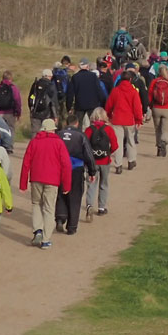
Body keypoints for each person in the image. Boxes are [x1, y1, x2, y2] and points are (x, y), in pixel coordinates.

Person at [19, 118, 72, 249]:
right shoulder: (59, 143)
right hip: (52, 180)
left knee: (36, 204)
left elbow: (26, 163)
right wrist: (66, 185)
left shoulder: (34, 142)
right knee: (49, 209)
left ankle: (38, 230)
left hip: (36, 178)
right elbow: (66, 165)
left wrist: (23, 183)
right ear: (53, 130)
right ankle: (46, 240)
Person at [54, 115, 96, 235]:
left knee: (61, 193)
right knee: (75, 196)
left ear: (67, 123)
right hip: (76, 168)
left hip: (60, 168)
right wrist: (92, 171)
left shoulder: (58, 134)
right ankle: (72, 226)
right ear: (77, 123)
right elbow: (88, 154)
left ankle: (60, 218)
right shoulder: (81, 135)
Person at [104, 68, 143, 174]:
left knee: (118, 143)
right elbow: (137, 107)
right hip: (129, 119)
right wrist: (139, 119)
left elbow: (109, 105)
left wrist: (108, 115)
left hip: (117, 119)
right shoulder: (133, 91)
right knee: (131, 141)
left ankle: (118, 164)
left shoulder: (115, 90)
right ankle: (131, 160)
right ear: (130, 79)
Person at [84, 107, 119, 219]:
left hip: (92, 162)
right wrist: (108, 153)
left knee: (91, 184)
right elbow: (115, 145)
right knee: (104, 184)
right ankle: (101, 207)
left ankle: (89, 205)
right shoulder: (109, 130)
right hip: (105, 161)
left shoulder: (89, 130)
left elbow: (84, 146)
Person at [149, 64, 168, 157]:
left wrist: (151, 106)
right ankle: (163, 142)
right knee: (166, 130)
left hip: (156, 108)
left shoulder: (154, 82)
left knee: (157, 129)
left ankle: (159, 147)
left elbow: (150, 95)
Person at [66, 58, 106, 129]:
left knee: (78, 124)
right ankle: (94, 137)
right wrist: (103, 103)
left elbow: (70, 93)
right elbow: (99, 91)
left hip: (79, 105)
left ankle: (78, 137)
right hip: (92, 104)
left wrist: (68, 106)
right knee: (94, 124)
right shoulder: (93, 76)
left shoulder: (75, 77)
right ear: (87, 66)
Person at [27, 69, 60, 135]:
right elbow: (53, 102)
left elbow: (31, 97)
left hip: (35, 112)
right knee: (47, 132)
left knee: (35, 133)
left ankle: (35, 145)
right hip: (47, 114)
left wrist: (31, 108)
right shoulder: (51, 86)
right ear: (49, 76)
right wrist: (55, 115)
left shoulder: (36, 84)